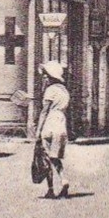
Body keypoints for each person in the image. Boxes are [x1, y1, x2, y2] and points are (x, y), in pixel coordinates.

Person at [35, 61, 71, 199]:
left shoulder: (50, 90)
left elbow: (44, 111)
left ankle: (50, 189)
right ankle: (64, 180)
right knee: (55, 157)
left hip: (50, 123)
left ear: (51, 77)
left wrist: (38, 130)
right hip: (61, 123)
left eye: (45, 75)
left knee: (46, 158)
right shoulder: (64, 91)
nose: (44, 77)